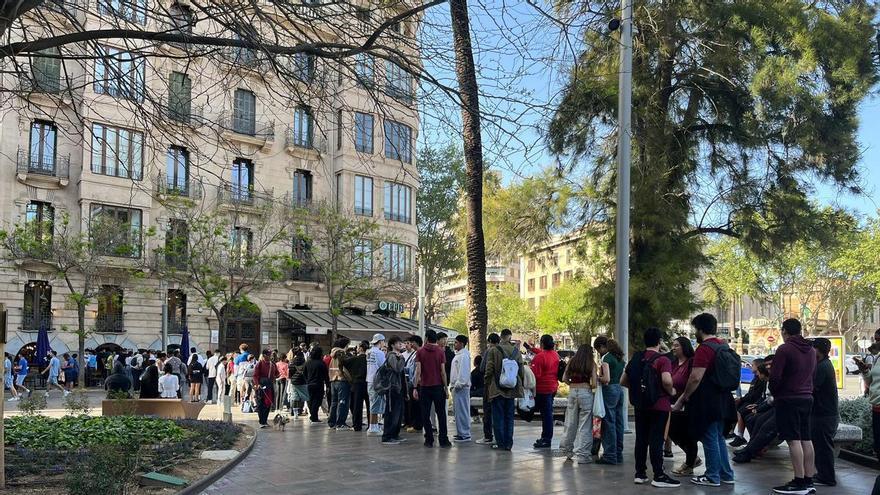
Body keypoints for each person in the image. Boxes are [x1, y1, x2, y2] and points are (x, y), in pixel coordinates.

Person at [672, 313, 735, 487]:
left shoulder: (705, 349)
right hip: (724, 399)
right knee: (718, 438)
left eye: (695, 330)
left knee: (709, 438)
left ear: (700, 330)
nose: (695, 334)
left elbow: (695, 378)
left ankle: (712, 476)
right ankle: (726, 474)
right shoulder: (723, 345)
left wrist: (684, 397)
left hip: (708, 401)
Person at [621, 327, 679, 487]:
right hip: (659, 405)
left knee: (641, 439)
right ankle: (659, 475)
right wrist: (672, 391)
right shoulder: (662, 360)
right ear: (659, 342)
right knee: (656, 439)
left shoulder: (636, 358)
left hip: (640, 405)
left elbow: (623, 381)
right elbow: (667, 381)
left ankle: (640, 474)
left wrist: (639, 392)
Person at [769, 318, 817, 495]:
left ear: (784, 331)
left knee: (793, 440)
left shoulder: (785, 349)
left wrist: (775, 393)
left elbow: (775, 377)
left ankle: (798, 482)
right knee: (806, 439)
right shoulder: (811, 350)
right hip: (807, 398)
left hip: (788, 398)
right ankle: (808, 480)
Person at [557, 343, 598, 464]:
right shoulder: (591, 363)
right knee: (585, 425)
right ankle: (583, 455)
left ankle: (567, 450)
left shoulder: (572, 361)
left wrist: (572, 384)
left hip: (573, 392)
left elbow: (564, 378)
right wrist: (588, 386)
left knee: (570, 422)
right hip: (586, 392)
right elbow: (595, 383)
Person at [484, 328, 524, 452]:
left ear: (501, 337)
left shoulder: (493, 350)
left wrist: (487, 382)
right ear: (510, 337)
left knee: (498, 416)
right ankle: (508, 443)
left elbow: (489, 369)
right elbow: (521, 370)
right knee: (509, 417)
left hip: (497, 388)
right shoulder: (516, 352)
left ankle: (500, 443)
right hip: (511, 389)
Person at [667, 336, 701, 476]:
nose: (673, 348)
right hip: (672, 403)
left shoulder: (691, 362)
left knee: (687, 434)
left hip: (687, 403)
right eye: (673, 345)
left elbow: (693, 382)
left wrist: (681, 400)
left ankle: (689, 463)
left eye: (677, 345)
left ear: (684, 347)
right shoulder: (673, 362)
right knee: (672, 430)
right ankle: (692, 457)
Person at [414, 329, 451, 448]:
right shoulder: (440, 352)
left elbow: (418, 371)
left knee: (425, 414)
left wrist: (415, 387)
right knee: (441, 414)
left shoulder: (420, 351)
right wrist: (446, 388)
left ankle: (429, 439)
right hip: (438, 386)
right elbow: (443, 372)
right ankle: (443, 440)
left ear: (426, 338)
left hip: (425, 387)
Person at [810, 338, 838, 487]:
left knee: (823, 447)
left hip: (824, 414)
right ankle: (823, 474)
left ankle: (827, 477)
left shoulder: (823, 367)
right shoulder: (823, 364)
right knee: (820, 446)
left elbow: (812, 388)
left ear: (818, 350)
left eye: (812, 348)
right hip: (824, 413)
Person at [594, 335, 625, 465]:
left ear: (602, 347)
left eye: (597, 349)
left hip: (609, 390)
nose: (598, 352)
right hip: (619, 389)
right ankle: (618, 453)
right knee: (619, 422)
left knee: (608, 423)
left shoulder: (606, 358)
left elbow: (606, 378)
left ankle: (610, 455)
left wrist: (596, 378)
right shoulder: (620, 358)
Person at [530, 334, 560, 449]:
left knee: (546, 415)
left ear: (542, 343)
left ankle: (546, 439)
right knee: (547, 413)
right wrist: (531, 349)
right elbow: (542, 353)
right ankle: (545, 437)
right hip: (552, 388)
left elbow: (535, 375)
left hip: (542, 389)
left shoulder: (539, 357)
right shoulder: (555, 355)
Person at [730, 357, 767, 448]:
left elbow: (757, 395)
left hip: (756, 402)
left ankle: (742, 437)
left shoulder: (761, 380)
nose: (751, 367)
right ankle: (731, 432)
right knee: (734, 406)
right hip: (753, 401)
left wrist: (744, 400)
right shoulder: (756, 378)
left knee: (743, 413)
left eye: (753, 365)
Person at [381, 336, 408, 445]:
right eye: (398, 343)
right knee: (392, 412)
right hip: (393, 388)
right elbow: (397, 368)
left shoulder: (396, 355)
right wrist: (402, 358)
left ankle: (395, 434)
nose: (400, 344)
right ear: (392, 345)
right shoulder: (392, 356)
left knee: (398, 413)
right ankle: (388, 436)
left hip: (398, 388)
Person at [475, 333, 500, 445]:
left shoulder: (489, 351)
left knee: (487, 410)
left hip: (490, 385)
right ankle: (499, 436)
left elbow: (482, 368)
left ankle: (488, 436)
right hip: (501, 385)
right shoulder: (503, 350)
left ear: (489, 341)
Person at [450, 334, 472, 442]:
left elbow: (463, 373)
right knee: (458, 411)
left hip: (461, 387)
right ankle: (461, 432)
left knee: (462, 410)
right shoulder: (459, 355)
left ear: (461, 343)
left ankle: (465, 434)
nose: (454, 344)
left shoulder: (464, 355)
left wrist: (458, 384)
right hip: (456, 387)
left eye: (456, 342)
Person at [328, 337, 353, 429]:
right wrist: (350, 379)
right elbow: (345, 367)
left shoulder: (332, 354)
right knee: (343, 402)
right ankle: (340, 422)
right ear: (345, 345)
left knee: (334, 402)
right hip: (342, 380)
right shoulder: (341, 353)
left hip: (333, 380)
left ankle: (332, 422)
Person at [366, 334, 387, 435]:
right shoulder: (379, 353)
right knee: (375, 404)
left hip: (369, 379)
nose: (384, 343)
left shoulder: (369, 352)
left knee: (372, 403)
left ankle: (373, 426)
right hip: (377, 381)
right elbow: (383, 367)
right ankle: (373, 427)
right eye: (383, 341)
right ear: (380, 341)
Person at [304, 346, 329, 424]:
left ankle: (313, 416)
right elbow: (326, 375)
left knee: (311, 400)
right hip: (319, 384)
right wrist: (328, 385)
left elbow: (304, 373)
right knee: (317, 401)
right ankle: (314, 417)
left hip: (309, 384)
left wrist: (307, 380)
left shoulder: (307, 363)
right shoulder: (322, 363)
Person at [253, 349, 278, 428]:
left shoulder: (272, 364)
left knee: (268, 403)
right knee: (261, 404)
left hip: (269, 386)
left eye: (270, 355)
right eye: (268, 355)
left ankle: (265, 420)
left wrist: (274, 377)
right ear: (264, 355)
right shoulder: (259, 364)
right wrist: (257, 384)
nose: (270, 356)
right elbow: (255, 375)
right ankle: (261, 421)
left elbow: (277, 373)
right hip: (261, 386)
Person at [404, 335, 423, 433]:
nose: (411, 344)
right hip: (412, 382)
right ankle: (414, 423)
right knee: (413, 405)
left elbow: (418, 370)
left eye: (412, 342)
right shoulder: (415, 353)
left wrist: (415, 384)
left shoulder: (419, 352)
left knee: (416, 405)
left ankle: (417, 424)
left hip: (417, 382)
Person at [289, 350, 309, 418]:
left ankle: (295, 414)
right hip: (302, 382)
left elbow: (290, 374)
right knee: (306, 397)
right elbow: (306, 373)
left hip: (294, 382)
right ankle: (308, 412)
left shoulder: (292, 364)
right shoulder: (305, 363)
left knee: (294, 398)